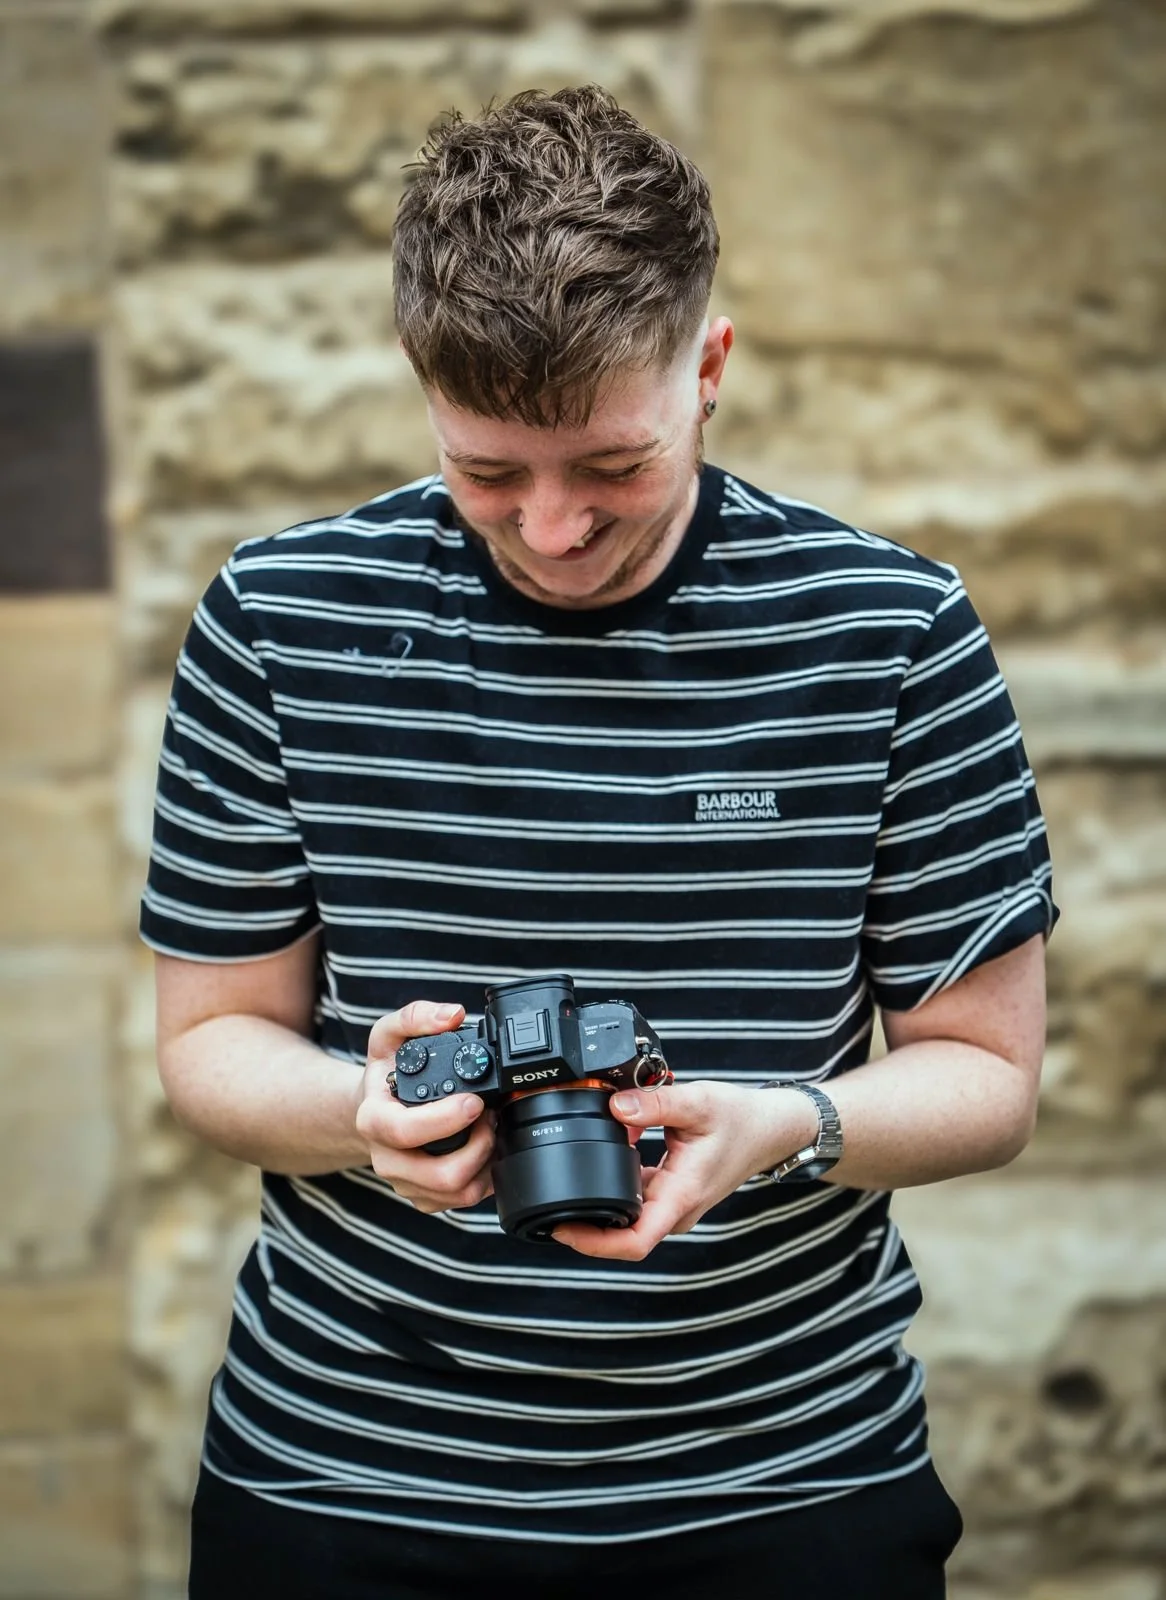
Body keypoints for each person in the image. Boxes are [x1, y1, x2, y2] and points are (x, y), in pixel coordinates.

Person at [141, 86, 1056, 1600]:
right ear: (421, 387)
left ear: (708, 368)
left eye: (610, 467)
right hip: (347, 1477)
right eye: (485, 472)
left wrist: (786, 1128)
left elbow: (988, 1076)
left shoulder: (890, 633)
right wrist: (366, 1116)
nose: (550, 528)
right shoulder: (277, 620)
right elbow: (212, 1042)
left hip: (787, 1481)